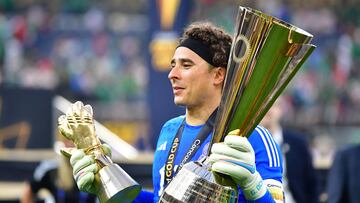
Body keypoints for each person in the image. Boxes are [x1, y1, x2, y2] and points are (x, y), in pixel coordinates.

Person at [60, 21, 284, 203]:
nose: (172, 74)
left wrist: (253, 187)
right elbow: (162, 200)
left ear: (218, 75)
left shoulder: (253, 136)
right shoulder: (169, 129)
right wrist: (104, 180)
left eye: (186, 65)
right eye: (173, 65)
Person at [260, 97, 319, 203]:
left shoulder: (298, 143)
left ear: (280, 110)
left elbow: (311, 185)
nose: (267, 109)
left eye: (273, 104)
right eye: (262, 104)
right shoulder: (245, 142)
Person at [21, 141, 97, 203]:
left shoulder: (94, 171)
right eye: (68, 141)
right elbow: (29, 189)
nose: (71, 145)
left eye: (74, 141)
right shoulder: (53, 173)